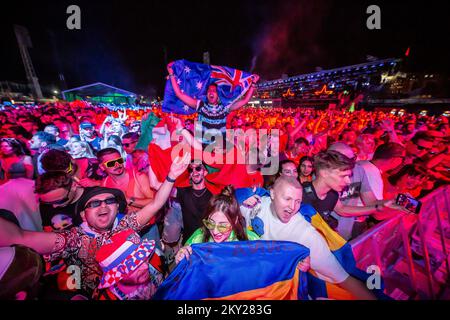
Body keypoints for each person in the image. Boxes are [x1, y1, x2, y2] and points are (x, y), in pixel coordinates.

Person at [0, 152, 190, 296]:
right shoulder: (74, 238)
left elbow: (156, 204)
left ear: (117, 208)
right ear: (83, 214)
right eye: (94, 204)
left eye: (109, 201)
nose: (103, 206)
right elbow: (20, 237)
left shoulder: (125, 224)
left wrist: (172, 176)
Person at [239, 176, 376, 300]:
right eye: (287, 199)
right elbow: (229, 202)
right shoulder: (256, 203)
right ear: (273, 194)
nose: (292, 207)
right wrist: (241, 196)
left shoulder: (306, 235)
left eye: (297, 201)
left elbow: (344, 279)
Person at [167, 61, 259, 148]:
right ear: (206, 94)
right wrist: (171, 74)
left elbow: (244, 101)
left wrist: (253, 83)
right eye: (209, 90)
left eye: (214, 91)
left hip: (219, 152)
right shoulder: (200, 105)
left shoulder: (224, 107)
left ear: (218, 95)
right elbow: (180, 94)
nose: (211, 92)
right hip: (201, 150)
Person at [174, 185, 261, 264]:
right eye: (210, 223)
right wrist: (181, 256)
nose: (215, 231)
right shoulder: (198, 237)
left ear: (235, 221)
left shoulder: (251, 240)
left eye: (222, 226)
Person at [92, 229, 164, 300]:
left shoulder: (155, 259)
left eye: (145, 258)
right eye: (135, 265)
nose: (145, 266)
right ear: (117, 275)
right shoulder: (108, 298)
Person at [176, 160, 213, 243]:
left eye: (198, 168)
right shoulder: (183, 192)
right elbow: (157, 186)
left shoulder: (214, 193)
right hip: (189, 242)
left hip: (208, 242)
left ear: (205, 172)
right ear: (189, 175)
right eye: (190, 170)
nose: (194, 171)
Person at [0, 163, 42, 231]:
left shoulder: (2, 190)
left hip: (19, 233)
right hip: (42, 230)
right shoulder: (37, 185)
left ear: (7, 174)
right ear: (26, 173)